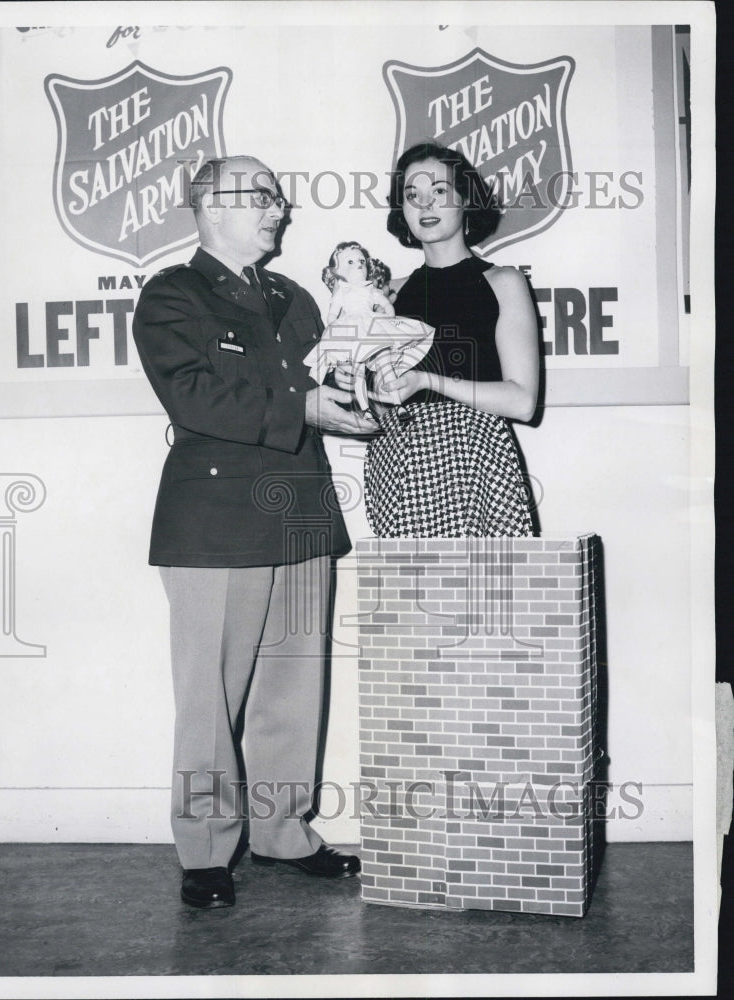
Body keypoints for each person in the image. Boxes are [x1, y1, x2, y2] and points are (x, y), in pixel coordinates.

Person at [132, 156, 375, 909]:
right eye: (261, 196)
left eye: (279, 195)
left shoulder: (295, 297)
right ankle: (205, 849)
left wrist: (370, 383)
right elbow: (196, 397)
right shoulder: (172, 295)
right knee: (211, 695)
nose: (279, 209)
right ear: (207, 205)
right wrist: (305, 410)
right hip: (215, 521)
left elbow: (322, 382)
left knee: (293, 687)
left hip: (301, 511)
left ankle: (282, 831)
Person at [361, 142, 539, 537]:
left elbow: (523, 401)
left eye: (439, 191)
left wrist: (427, 382)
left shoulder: (503, 283)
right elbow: (371, 407)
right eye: (412, 195)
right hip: (401, 462)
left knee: (489, 597)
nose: (425, 205)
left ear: (465, 199)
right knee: (409, 598)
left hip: (477, 460)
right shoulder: (387, 296)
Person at [302, 241, 434, 420]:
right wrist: (334, 335)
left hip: (373, 326)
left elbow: (387, 305)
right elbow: (332, 316)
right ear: (337, 271)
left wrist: (389, 321)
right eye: (350, 262)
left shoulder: (370, 290)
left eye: (361, 261)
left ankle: (397, 404)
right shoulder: (342, 292)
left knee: (385, 364)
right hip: (353, 331)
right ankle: (365, 410)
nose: (358, 264)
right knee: (358, 372)